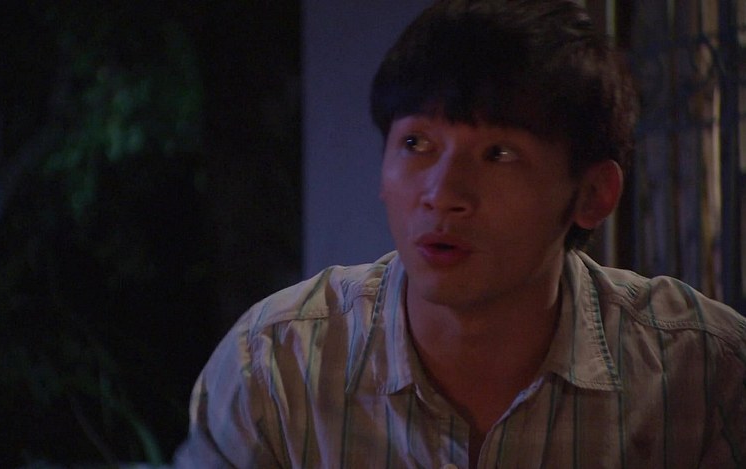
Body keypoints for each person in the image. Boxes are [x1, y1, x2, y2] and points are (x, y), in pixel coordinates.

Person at [175, 0, 746, 467]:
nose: (443, 193)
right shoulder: (276, 367)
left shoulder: (703, 373)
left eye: (499, 153)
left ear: (594, 194)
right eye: (416, 144)